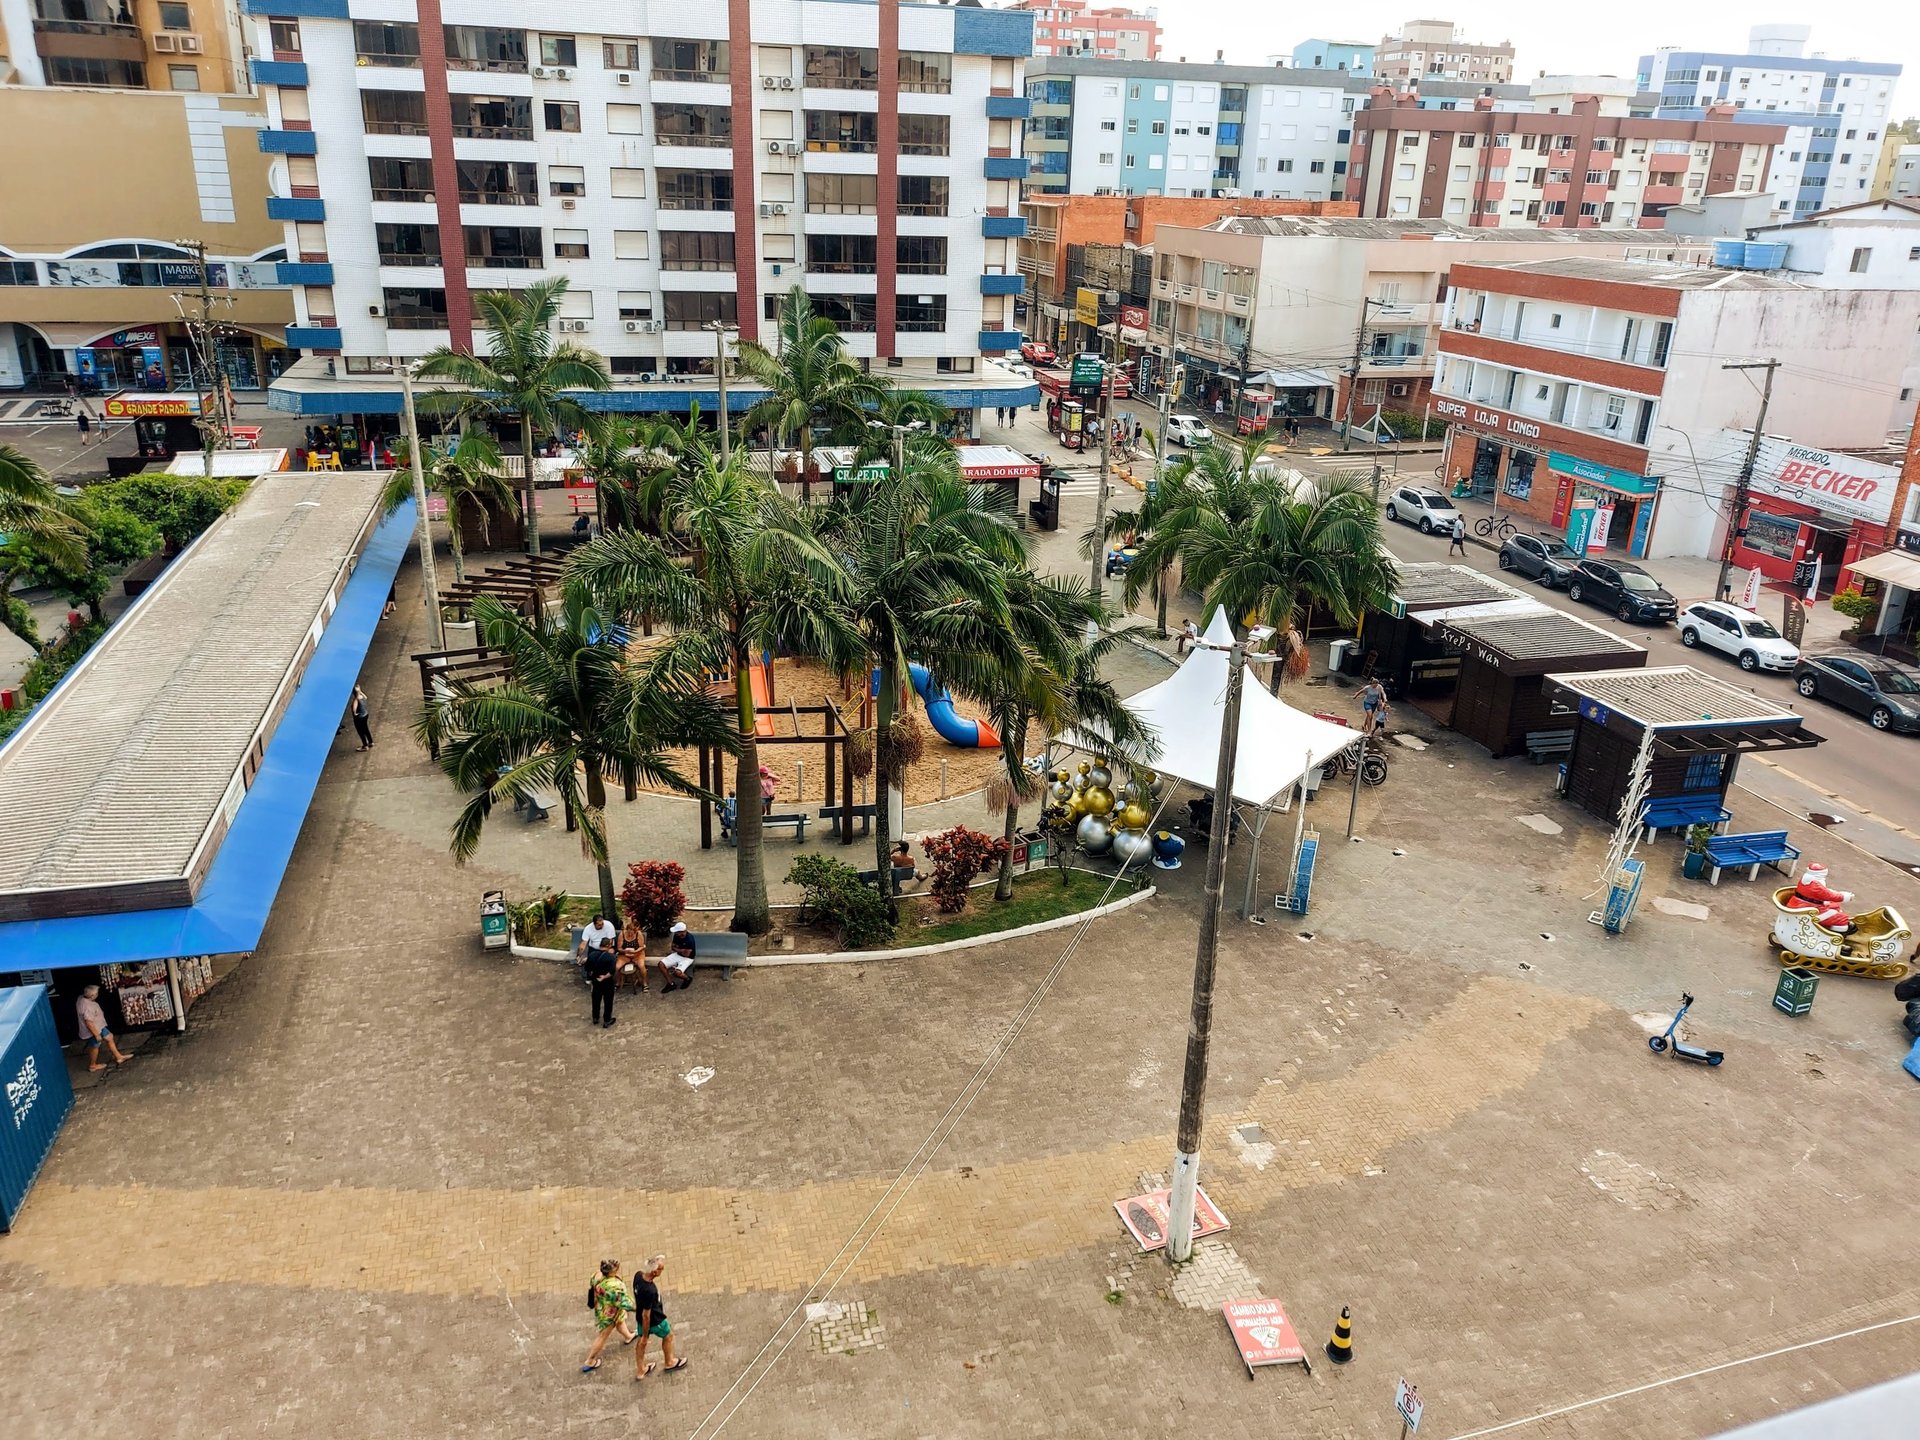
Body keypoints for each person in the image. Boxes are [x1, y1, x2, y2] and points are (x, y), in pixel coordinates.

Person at [632, 1255, 687, 1380]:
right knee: (668, 1336)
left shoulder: (638, 1276)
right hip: (655, 1320)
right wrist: (646, 1335)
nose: (662, 1270)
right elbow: (646, 1315)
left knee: (641, 1343)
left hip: (639, 1318)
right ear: (654, 1272)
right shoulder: (650, 1290)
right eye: (661, 1268)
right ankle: (669, 1362)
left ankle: (640, 1370)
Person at [581, 1260, 635, 1373]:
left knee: (620, 1321)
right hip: (610, 1313)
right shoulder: (614, 1286)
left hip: (602, 1306)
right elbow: (625, 1302)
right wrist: (640, 1309)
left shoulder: (596, 1274)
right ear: (612, 1271)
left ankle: (628, 1336)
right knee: (603, 1336)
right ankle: (590, 1360)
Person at [75, 984, 130, 1072]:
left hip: (99, 1026)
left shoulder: (81, 998)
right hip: (93, 1031)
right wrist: (97, 1035)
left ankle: (119, 1057)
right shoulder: (88, 1007)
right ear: (92, 996)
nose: (98, 994)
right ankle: (92, 1066)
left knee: (109, 1037)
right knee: (94, 1047)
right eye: (96, 993)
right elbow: (89, 1023)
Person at [660, 923, 696, 992]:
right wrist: (682, 950)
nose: (675, 933)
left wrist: (678, 949)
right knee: (661, 964)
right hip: (678, 954)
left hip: (687, 958)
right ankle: (671, 984)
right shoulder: (676, 936)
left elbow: (687, 955)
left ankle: (687, 978)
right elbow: (673, 947)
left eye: (677, 932)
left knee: (677, 973)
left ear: (681, 932)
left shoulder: (690, 939)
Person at [617, 918, 647, 993]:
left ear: (635, 931)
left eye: (632, 933)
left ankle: (644, 983)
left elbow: (641, 946)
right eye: (628, 932)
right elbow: (619, 948)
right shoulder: (622, 934)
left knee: (641, 966)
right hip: (625, 954)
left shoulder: (639, 934)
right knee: (617, 966)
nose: (630, 934)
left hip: (637, 954)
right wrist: (625, 951)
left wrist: (635, 951)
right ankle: (618, 982)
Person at [349, 685, 373, 750]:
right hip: (365, 715)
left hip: (360, 718)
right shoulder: (362, 696)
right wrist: (360, 691)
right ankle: (370, 742)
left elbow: (354, 709)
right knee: (366, 729)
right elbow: (366, 697)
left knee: (361, 732)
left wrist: (355, 714)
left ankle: (365, 746)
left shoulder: (356, 700)